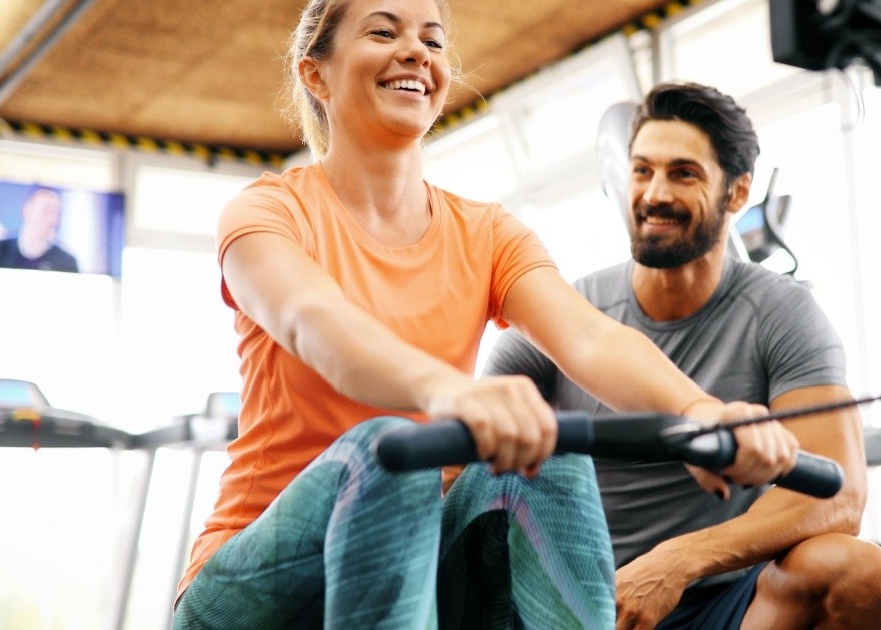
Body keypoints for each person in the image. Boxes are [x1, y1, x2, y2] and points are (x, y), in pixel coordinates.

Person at [173, 3, 805, 628]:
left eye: (433, 39)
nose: (417, 51)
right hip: (252, 588)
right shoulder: (268, 212)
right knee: (389, 450)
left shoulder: (487, 232)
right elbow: (313, 320)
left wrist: (702, 413)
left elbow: (587, 336)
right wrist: (450, 394)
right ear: (317, 75)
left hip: (421, 567)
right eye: (383, 31)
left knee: (546, 449)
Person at [484, 81, 881, 629]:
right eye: (642, 170)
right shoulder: (565, 317)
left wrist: (678, 561)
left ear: (736, 192)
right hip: (588, 604)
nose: (655, 193)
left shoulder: (782, 313)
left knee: (860, 572)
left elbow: (842, 494)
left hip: (726, 601)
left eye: (683, 173)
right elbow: (461, 475)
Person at [0, 186, 79, 272]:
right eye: (46, 210)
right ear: (27, 210)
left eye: (56, 212)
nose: (52, 219)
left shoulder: (67, 261)